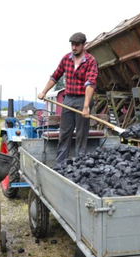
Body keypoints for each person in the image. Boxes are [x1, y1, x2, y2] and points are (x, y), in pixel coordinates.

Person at [38, 32, 98, 164]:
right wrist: (44, 92)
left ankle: (79, 164)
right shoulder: (66, 59)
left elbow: (90, 84)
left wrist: (86, 106)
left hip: (83, 98)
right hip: (68, 99)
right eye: (72, 44)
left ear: (83, 45)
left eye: (77, 45)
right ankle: (60, 164)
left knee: (82, 134)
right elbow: (55, 76)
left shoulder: (90, 61)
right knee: (65, 132)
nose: (74, 47)